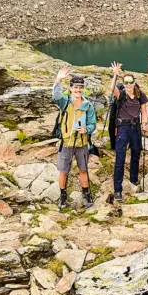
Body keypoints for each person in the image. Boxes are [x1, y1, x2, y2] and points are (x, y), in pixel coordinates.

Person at [52, 65, 97, 210]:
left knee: (83, 170)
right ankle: (63, 197)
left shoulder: (88, 105)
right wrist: (59, 79)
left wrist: (87, 129)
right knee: (64, 171)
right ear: (71, 88)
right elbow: (56, 96)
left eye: (80, 87)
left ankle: (87, 196)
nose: (78, 90)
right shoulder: (65, 102)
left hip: (82, 143)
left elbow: (93, 123)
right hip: (66, 142)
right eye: (75, 87)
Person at [107, 63, 148, 209]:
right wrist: (115, 75)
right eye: (126, 83)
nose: (129, 85)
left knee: (136, 152)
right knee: (120, 157)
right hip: (123, 127)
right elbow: (112, 89)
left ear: (134, 82)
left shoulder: (139, 94)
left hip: (135, 126)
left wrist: (145, 123)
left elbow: (144, 111)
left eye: (131, 82)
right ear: (124, 84)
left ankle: (134, 179)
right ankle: (117, 189)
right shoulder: (121, 93)